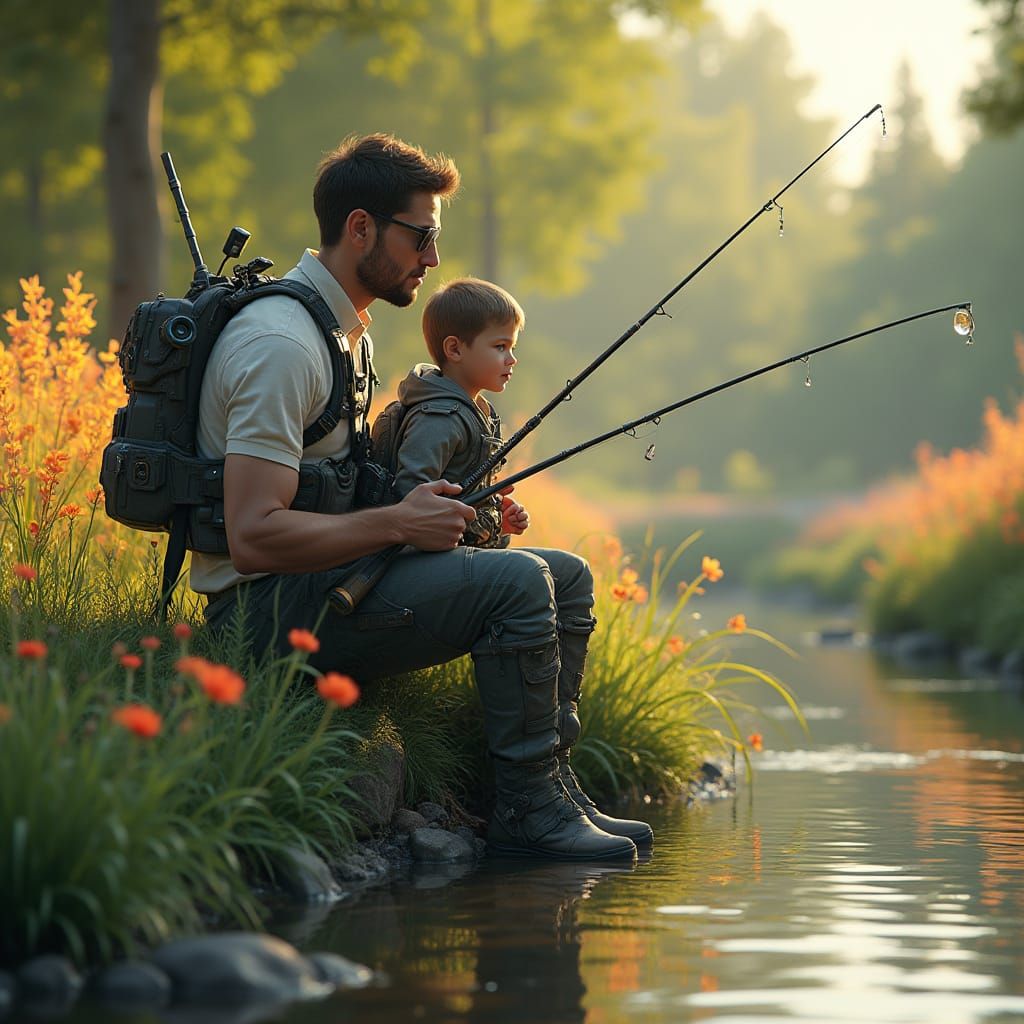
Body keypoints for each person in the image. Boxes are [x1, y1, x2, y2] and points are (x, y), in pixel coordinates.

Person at [193, 132, 651, 859]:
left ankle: (555, 786)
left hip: (329, 584)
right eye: (423, 236)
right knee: (519, 585)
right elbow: (253, 535)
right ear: (361, 229)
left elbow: (355, 489)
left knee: (566, 572)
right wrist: (397, 522)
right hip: (265, 615)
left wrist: (450, 512)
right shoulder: (283, 345)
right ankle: (527, 811)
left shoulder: (347, 334)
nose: (434, 259)